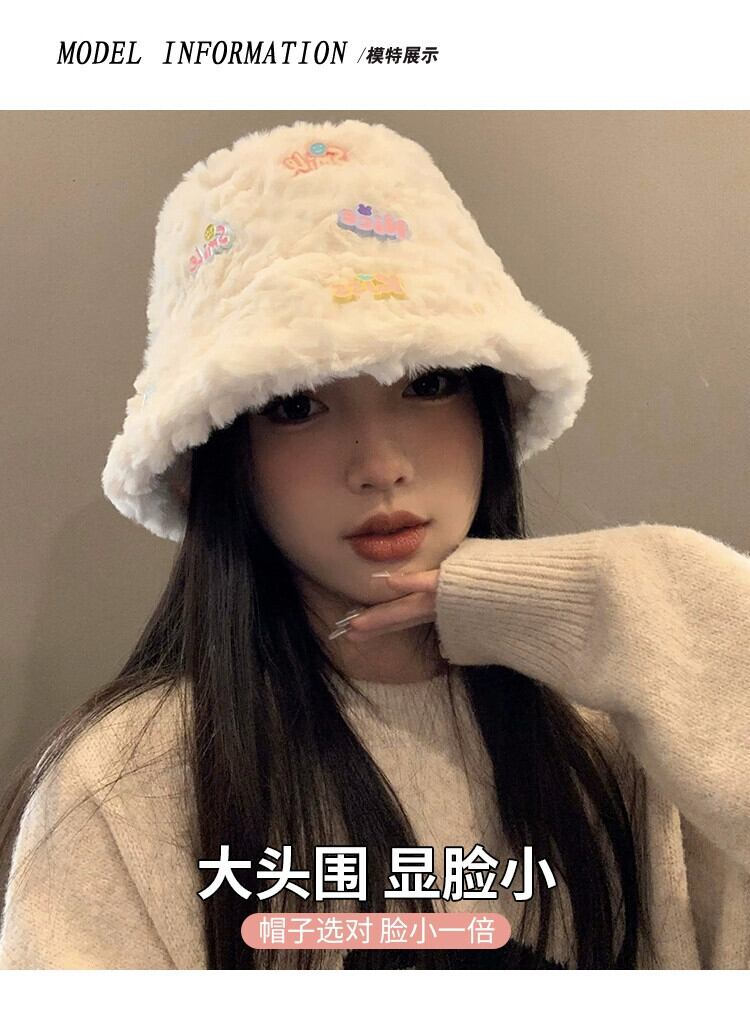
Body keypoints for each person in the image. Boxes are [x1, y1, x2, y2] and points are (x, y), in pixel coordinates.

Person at [0, 119, 748, 971]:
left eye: (430, 384)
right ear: (222, 456)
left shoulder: (626, 727)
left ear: (490, 406)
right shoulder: (131, 785)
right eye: (295, 406)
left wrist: (635, 600)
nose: (381, 465)